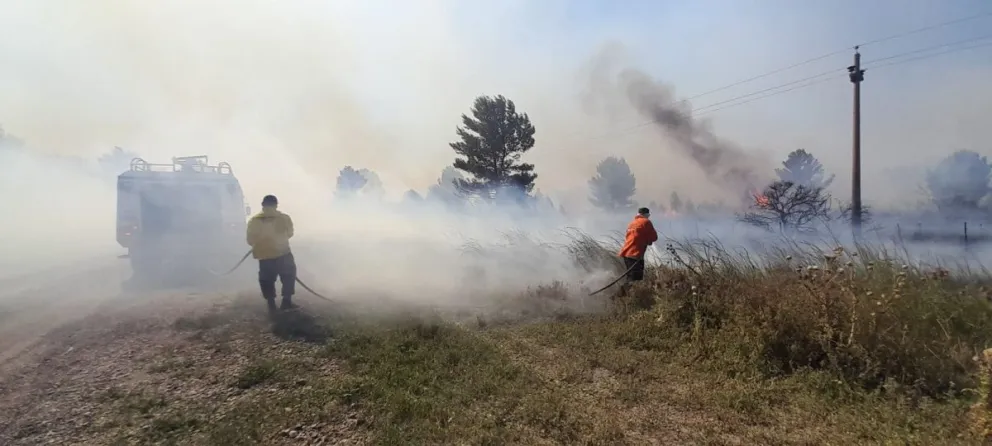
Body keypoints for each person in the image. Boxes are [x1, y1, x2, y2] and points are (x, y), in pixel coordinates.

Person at [246, 195, 297, 311]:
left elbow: (250, 240)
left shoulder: (254, 221)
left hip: (264, 256)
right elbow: (290, 233)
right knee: (288, 276)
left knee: (266, 280)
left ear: (263, 205)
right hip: (283, 253)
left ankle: (271, 305)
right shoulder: (284, 218)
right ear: (276, 205)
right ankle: (286, 302)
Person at [618, 207, 658, 286]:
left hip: (626, 253)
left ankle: (624, 296)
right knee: (635, 280)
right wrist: (648, 240)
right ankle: (624, 296)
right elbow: (654, 237)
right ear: (647, 215)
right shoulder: (646, 222)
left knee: (630, 278)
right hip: (636, 255)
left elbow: (631, 237)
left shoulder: (631, 223)